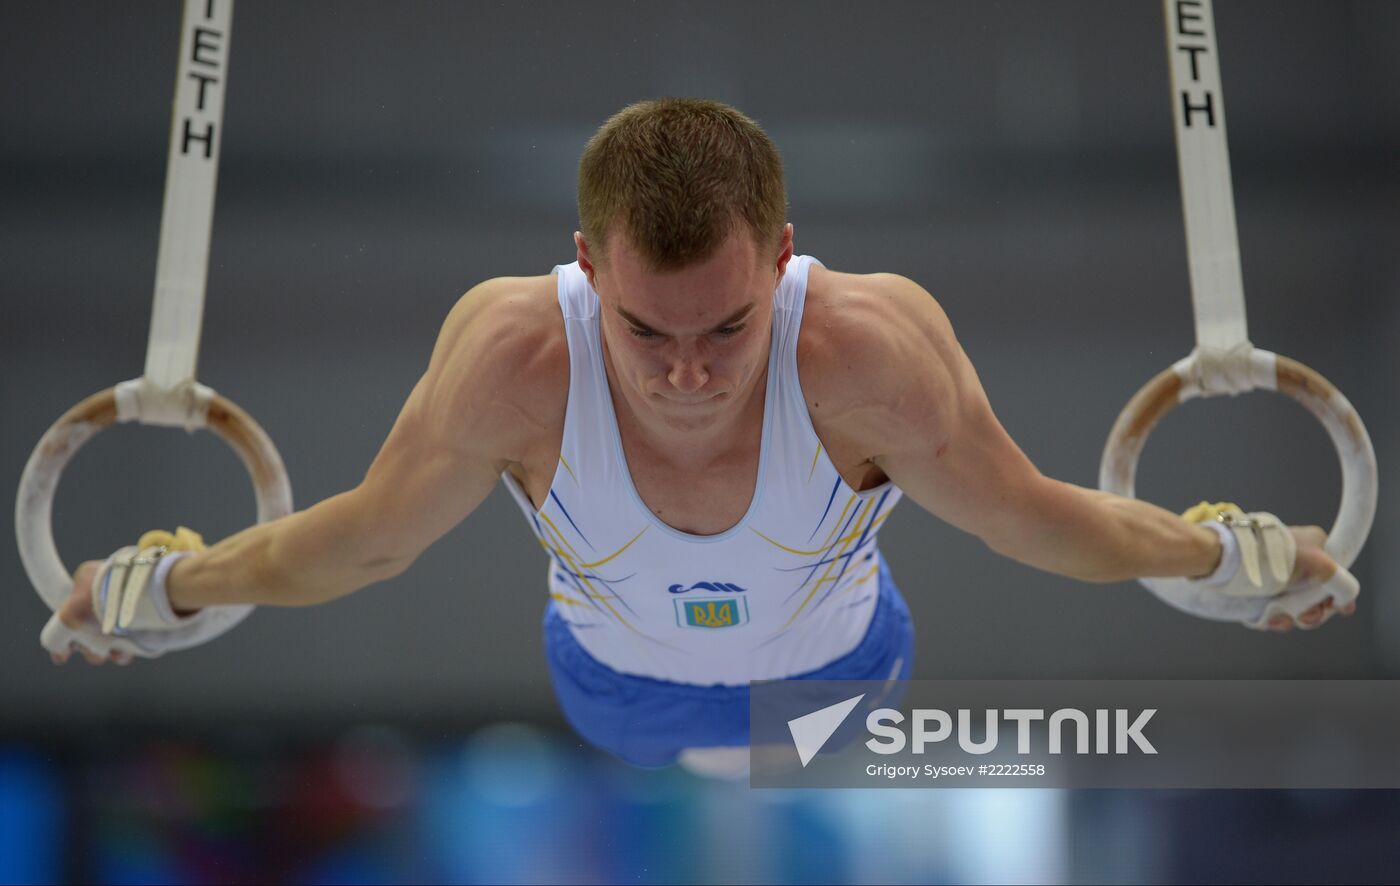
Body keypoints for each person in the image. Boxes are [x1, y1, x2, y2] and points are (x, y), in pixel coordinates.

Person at [49, 98, 1356, 770]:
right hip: (614, 691)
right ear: (583, 267)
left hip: (845, 681)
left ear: (782, 261)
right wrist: (169, 580)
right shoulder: (516, 356)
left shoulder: (866, 354)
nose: (685, 375)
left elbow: (1039, 517)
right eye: (643, 331)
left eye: (727, 329)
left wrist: (1222, 555)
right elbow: (367, 542)